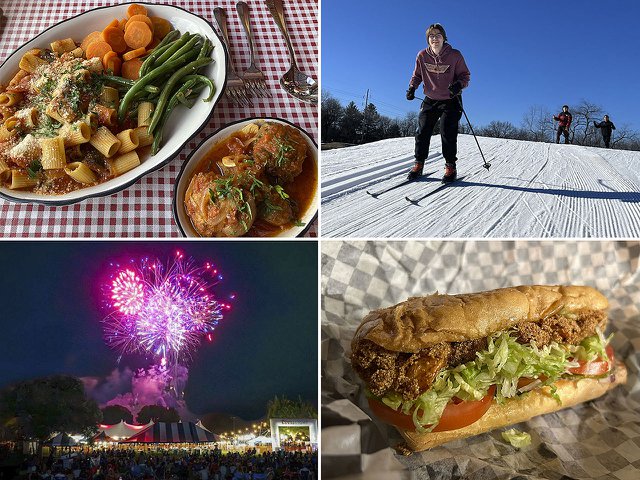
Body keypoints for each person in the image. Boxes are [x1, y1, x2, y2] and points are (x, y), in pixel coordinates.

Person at [406, 23, 470, 182]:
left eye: (438, 35)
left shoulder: (455, 55)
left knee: (447, 132)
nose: (435, 38)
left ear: (444, 37)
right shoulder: (422, 55)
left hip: (451, 99)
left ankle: (450, 167)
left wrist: (458, 85)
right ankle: (419, 164)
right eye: (431, 36)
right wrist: (412, 87)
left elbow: (465, 76)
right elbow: (417, 75)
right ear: (428, 39)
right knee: (422, 131)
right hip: (430, 99)